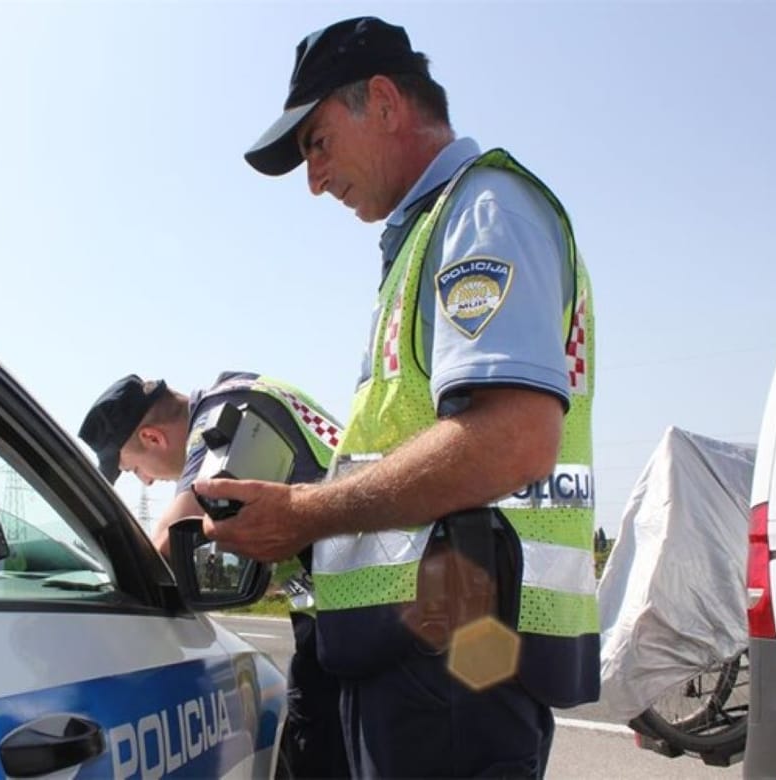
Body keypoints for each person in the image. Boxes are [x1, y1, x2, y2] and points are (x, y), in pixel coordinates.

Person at [193, 16, 599, 778]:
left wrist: (302, 516)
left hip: (457, 661)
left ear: (382, 101)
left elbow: (512, 438)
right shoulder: (428, 234)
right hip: (423, 655)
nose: (314, 179)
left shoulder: (484, 212)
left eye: (316, 142)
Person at [78, 371, 350, 780]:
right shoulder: (251, 390)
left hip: (365, 624)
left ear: (153, 438)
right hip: (358, 617)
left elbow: (166, 547)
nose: (147, 480)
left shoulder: (222, 416)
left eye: (134, 469)